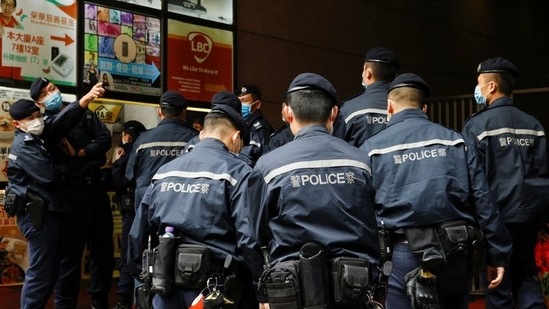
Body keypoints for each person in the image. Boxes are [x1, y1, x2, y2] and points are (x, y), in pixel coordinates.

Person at [359, 73, 512, 309]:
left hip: (402, 255)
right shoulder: (455, 142)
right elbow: (483, 200)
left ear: (389, 106)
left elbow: (362, 209)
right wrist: (496, 254)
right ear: (425, 108)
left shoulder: (372, 148)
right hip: (455, 251)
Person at [248, 73, 381, 309]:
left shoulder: (269, 167)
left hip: (290, 291)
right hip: (352, 289)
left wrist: (263, 292)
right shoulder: (362, 162)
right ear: (334, 114)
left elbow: (253, 236)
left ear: (287, 113)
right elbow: (377, 225)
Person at [128, 93, 263, 309]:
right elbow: (249, 239)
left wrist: (141, 278)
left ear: (201, 135)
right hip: (214, 291)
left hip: (165, 283)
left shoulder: (164, 172)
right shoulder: (240, 173)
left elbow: (138, 234)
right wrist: (259, 288)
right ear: (236, 138)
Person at [462, 57, 549, 309]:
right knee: (525, 275)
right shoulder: (534, 125)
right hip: (529, 219)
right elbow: (543, 173)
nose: (476, 89)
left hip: (495, 221)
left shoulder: (477, 126)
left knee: (497, 283)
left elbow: (472, 181)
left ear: (491, 87)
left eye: (479, 83)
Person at [8, 83, 104, 308]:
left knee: (50, 272)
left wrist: (85, 101)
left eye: (36, 115)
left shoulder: (36, 139)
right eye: (29, 118)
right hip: (37, 216)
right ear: (16, 124)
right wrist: (72, 167)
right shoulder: (24, 146)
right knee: (41, 274)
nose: (36, 120)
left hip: (49, 213)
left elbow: (61, 123)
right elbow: (49, 175)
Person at [29, 77, 114, 309]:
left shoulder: (84, 113)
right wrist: (84, 100)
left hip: (96, 189)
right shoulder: (47, 123)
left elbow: (105, 139)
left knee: (103, 250)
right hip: (72, 194)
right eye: (46, 92)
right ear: (39, 102)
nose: (53, 93)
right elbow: (58, 128)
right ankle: (65, 304)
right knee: (71, 257)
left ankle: (99, 300)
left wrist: (81, 153)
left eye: (53, 88)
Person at [125, 90, 198, 216]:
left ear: (159, 112)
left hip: (148, 206)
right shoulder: (194, 139)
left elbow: (129, 175)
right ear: (184, 112)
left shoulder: (143, 140)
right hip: (182, 208)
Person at [110, 120, 146, 309]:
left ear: (127, 136)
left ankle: (124, 300)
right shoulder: (146, 150)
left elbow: (116, 180)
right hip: (150, 210)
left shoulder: (127, 154)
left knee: (128, 255)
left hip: (131, 210)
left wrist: (116, 161)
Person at [333, 47, 399, 147]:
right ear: (396, 77)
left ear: (368, 73)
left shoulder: (350, 109)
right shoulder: (405, 108)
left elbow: (337, 146)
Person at [235, 84, 273, 163]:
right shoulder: (239, 125)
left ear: (257, 104)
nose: (240, 105)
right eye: (239, 102)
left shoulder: (260, 129)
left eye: (245, 101)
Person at [0, 0, 22, 80]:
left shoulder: (18, 26)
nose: (8, 7)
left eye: (11, 5)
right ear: (1, 5)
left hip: (10, 75)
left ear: (14, 9)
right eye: (5, 3)